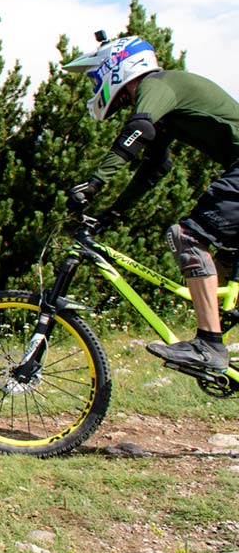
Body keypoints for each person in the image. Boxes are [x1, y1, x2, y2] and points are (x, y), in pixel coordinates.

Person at [64, 34, 239, 373]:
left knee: (188, 237)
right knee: (227, 257)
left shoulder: (157, 83)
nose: (94, 84)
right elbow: (154, 167)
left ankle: (209, 345)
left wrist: (95, 183)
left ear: (115, 67)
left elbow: (139, 130)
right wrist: (111, 213)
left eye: (95, 76)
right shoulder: (165, 99)